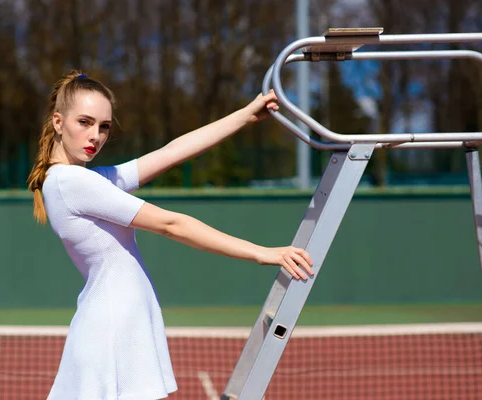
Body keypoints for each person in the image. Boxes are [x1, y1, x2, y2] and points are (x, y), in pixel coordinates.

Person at [27, 70, 314, 400]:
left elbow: (171, 152)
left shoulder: (81, 180)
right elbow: (172, 224)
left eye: (104, 126)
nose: (96, 135)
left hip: (118, 321)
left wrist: (244, 116)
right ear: (59, 122)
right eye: (85, 122)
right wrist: (263, 253)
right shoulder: (72, 182)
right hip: (111, 329)